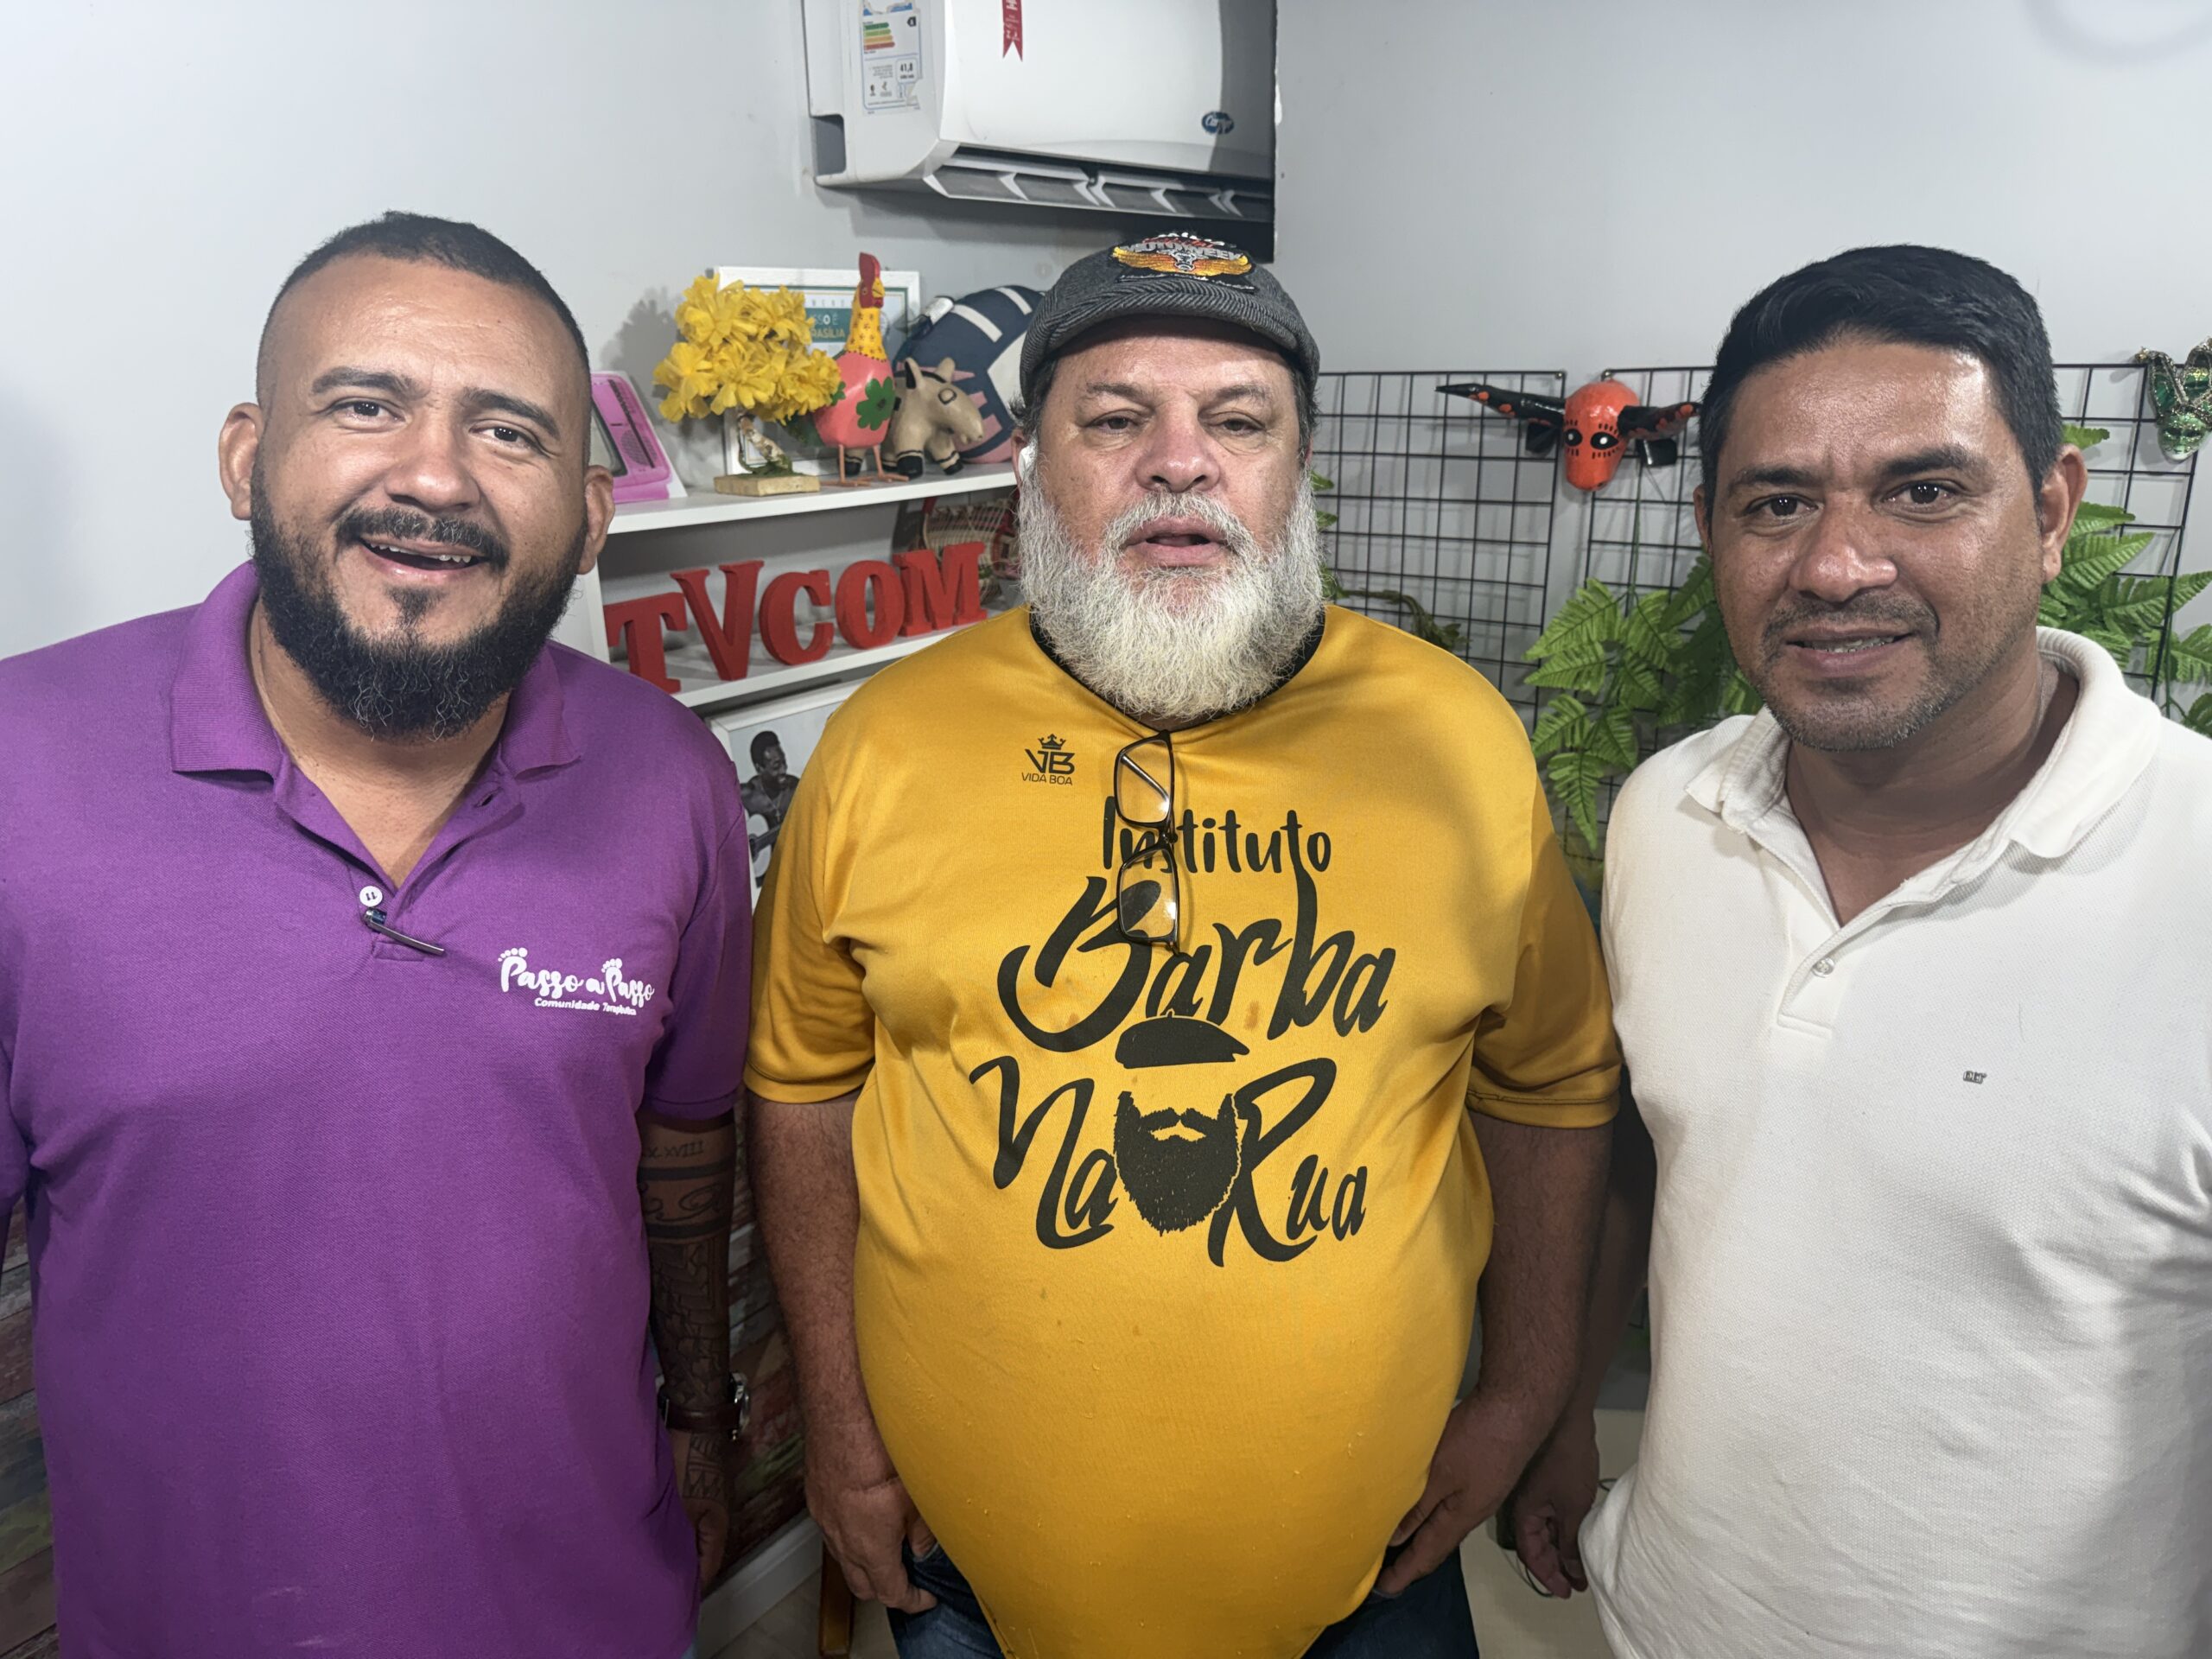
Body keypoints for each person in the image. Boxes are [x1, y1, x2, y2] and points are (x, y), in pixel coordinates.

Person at [746, 230, 1621, 1659]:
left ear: (1296, 468)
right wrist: (835, 1435)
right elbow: (802, 1089)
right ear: (1032, 465)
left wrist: (1526, 1389)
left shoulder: (1458, 739)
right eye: (1114, 419)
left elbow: (1552, 1087)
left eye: (1237, 420)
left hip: (1371, 1583)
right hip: (965, 1577)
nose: (1179, 460)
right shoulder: (883, 746)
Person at [0, 213, 751, 1659]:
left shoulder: (671, 781)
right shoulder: (21, 767)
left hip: (593, 1614)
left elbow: (685, 1141)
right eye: (365, 404)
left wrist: (704, 1422)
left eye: (511, 433)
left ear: (592, 517)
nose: (432, 476)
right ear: (243, 455)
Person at [1509, 245, 2212, 1658]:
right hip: (1674, 1619)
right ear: (1712, 529)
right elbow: (1661, 1151)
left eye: (1926, 490)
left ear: (2054, 508)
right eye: (1778, 503)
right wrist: (1560, 1408)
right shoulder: (1669, 820)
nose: (1837, 565)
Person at [741, 729, 797, 862]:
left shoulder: (796, 789)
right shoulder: (746, 796)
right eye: (776, 766)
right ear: (759, 768)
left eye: (784, 762)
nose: (784, 770)